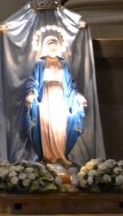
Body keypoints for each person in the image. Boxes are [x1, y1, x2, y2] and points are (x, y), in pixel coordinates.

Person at [23, 32, 87, 166]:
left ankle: (60, 155)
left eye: (55, 46)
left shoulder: (63, 64)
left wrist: (78, 95)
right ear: (45, 47)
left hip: (60, 97)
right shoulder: (40, 64)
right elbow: (33, 81)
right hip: (45, 98)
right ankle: (47, 156)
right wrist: (31, 93)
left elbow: (70, 85)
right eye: (51, 46)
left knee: (60, 127)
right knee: (46, 126)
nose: (53, 48)